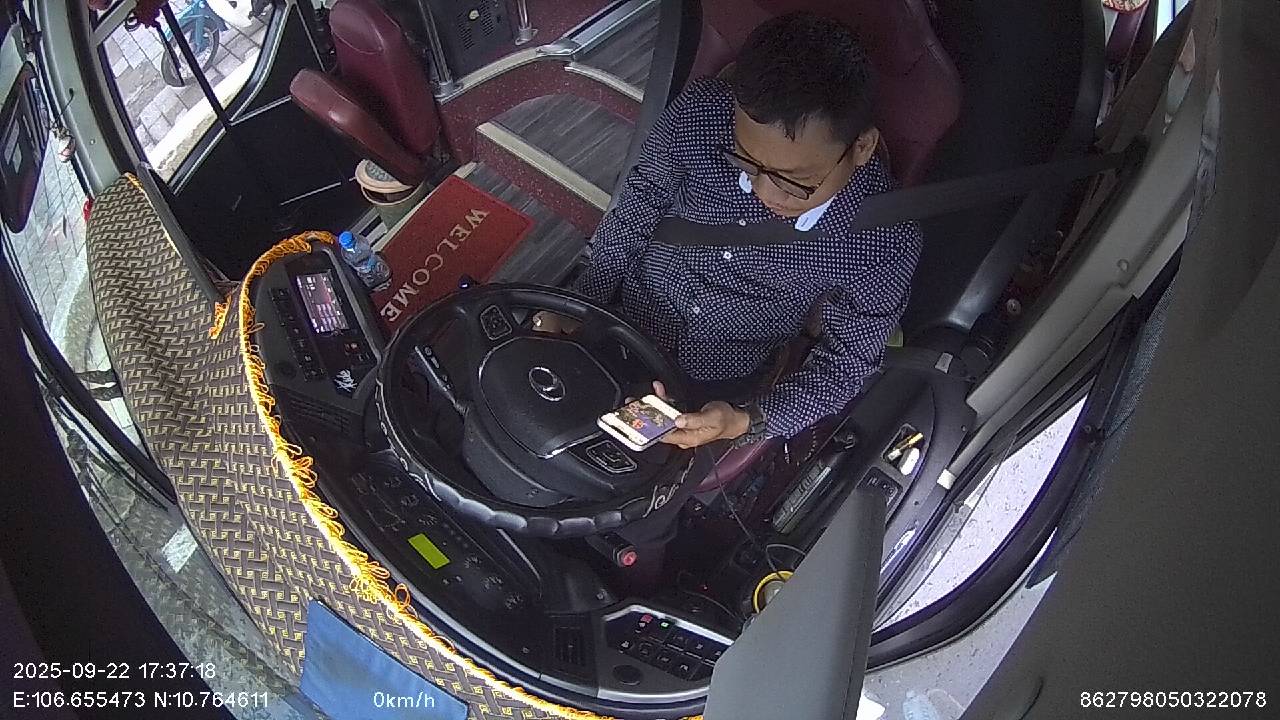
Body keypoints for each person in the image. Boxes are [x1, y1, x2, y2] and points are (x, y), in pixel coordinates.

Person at [542, 11, 921, 452]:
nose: (764, 192)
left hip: (721, 379)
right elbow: (635, 211)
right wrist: (581, 303)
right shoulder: (701, 115)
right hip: (622, 315)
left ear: (861, 147)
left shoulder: (882, 240)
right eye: (747, 161)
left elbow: (848, 363)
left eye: (795, 181)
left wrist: (748, 420)